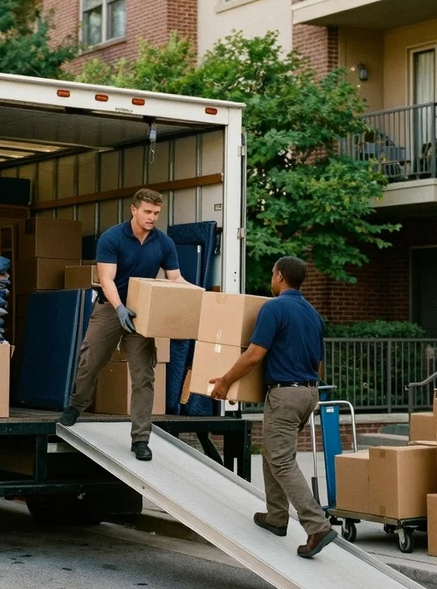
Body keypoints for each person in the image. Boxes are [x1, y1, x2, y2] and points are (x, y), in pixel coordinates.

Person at [209, 256, 335, 559]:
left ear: (279, 276)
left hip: (286, 394)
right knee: (274, 452)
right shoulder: (313, 314)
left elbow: (254, 354)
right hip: (309, 392)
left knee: (281, 460)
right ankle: (276, 516)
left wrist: (225, 382)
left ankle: (316, 525)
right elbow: (319, 364)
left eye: (272, 274)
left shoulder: (274, 307)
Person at [59, 188, 184, 461]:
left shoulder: (163, 243)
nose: (152, 218)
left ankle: (140, 439)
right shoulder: (112, 237)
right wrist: (119, 309)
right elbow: (107, 279)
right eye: (148, 212)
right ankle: (76, 405)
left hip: (143, 313)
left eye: (157, 213)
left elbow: (175, 279)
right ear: (134, 210)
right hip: (110, 307)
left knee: (144, 377)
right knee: (90, 360)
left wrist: (197, 297)